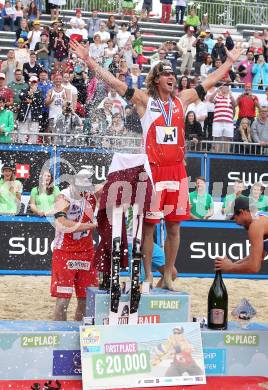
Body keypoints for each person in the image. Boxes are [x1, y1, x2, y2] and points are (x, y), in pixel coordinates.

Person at [70, 39, 243, 290]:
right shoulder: (144, 101)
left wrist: (228, 62)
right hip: (153, 170)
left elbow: (210, 81)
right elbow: (116, 83)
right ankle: (148, 276)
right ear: (156, 79)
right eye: (166, 74)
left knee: (174, 227)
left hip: (177, 171)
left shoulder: (182, 99)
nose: (172, 77)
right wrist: (89, 60)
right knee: (149, 227)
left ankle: (168, 277)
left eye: (173, 73)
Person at [51, 169, 98, 321]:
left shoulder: (91, 195)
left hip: (86, 252)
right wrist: (89, 226)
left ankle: (80, 334)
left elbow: (109, 186)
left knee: (85, 299)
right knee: (63, 300)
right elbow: (61, 224)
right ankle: (60, 337)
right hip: (65, 252)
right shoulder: (63, 197)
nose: (83, 191)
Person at [215, 196, 268, 274]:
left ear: (242, 212)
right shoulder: (261, 218)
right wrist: (229, 265)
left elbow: (254, 267)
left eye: (235, 218)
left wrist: (230, 267)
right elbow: (259, 256)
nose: (237, 223)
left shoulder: (255, 225)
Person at [17, 75, 43, 144]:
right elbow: (21, 96)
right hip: (24, 115)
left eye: (35, 82)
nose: (33, 84)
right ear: (29, 82)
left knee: (34, 134)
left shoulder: (39, 92)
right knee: (22, 133)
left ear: (37, 83)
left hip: (34, 116)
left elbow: (39, 101)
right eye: (32, 82)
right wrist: (30, 95)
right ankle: (21, 146)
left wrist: (31, 99)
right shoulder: (24, 90)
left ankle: (32, 148)